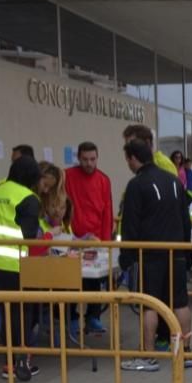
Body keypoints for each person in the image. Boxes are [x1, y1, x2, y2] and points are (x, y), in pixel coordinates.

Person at [118, 139, 192, 372]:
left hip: (149, 253)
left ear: (132, 158)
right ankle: (184, 353)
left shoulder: (136, 184)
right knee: (180, 301)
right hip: (177, 250)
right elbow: (185, 218)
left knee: (149, 303)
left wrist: (126, 255)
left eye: (128, 160)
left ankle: (148, 355)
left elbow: (129, 224)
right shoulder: (173, 180)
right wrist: (187, 248)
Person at [0, 156, 42, 380]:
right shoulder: (28, 198)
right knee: (23, 310)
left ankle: (11, 359)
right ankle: (18, 362)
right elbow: (29, 236)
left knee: (6, 309)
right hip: (12, 264)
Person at [64, 141, 113, 335]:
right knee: (71, 281)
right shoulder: (67, 176)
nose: (89, 163)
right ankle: (73, 318)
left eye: (92, 159)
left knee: (94, 281)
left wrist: (107, 242)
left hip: (96, 240)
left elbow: (107, 212)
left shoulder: (103, 180)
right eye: (85, 159)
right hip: (72, 239)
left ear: (97, 158)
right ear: (78, 158)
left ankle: (93, 317)